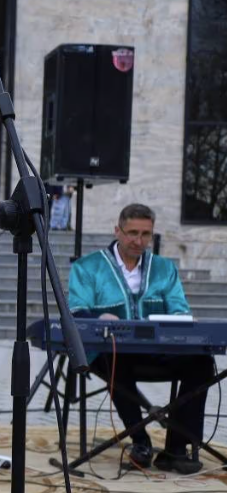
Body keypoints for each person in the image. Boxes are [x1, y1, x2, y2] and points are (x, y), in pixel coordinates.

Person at [67, 203, 213, 474]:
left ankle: (176, 449)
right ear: (117, 231)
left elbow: (179, 309)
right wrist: (99, 317)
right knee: (115, 359)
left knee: (202, 362)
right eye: (132, 233)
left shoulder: (164, 268)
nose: (139, 240)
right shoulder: (87, 267)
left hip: (158, 351)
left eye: (146, 234)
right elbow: (76, 310)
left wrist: (180, 319)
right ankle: (140, 441)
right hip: (109, 352)